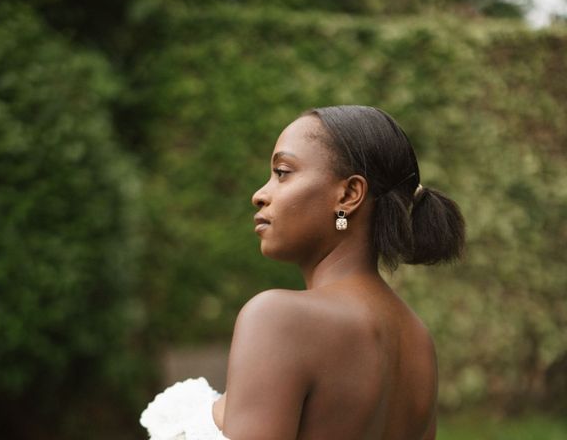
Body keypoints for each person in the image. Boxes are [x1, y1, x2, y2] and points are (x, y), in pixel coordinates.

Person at [140, 105, 465, 440]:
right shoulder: (418, 341)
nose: (259, 195)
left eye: (282, 172)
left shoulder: (279, 319)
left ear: (348, 195)